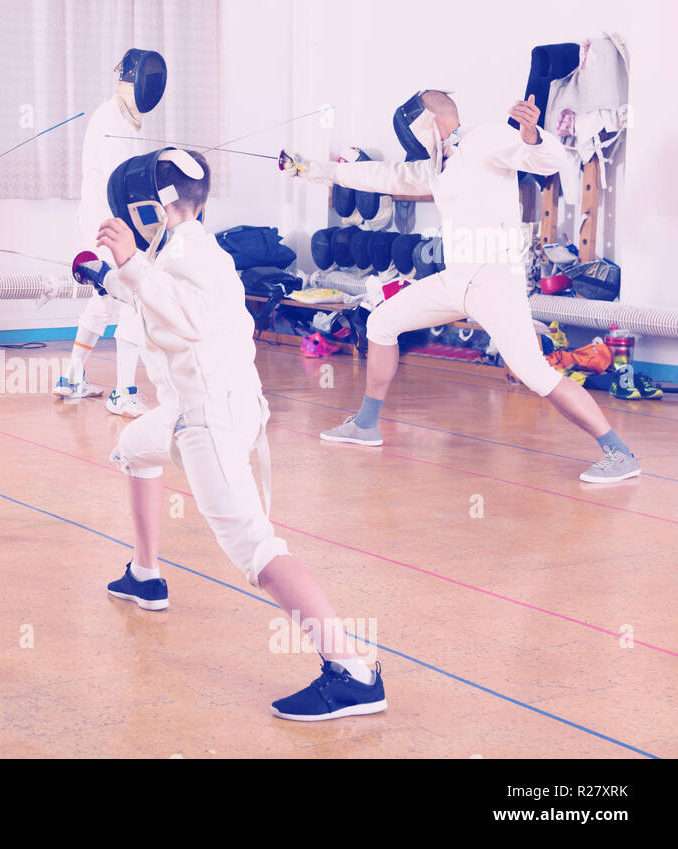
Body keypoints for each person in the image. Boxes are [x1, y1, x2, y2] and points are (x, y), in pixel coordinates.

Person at [80, 147, 386, 720]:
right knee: (134, 448)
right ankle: (146, 576)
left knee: (254, 545)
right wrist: (115, 277)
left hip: (209, 417)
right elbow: (168, 303)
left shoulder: (186, 255)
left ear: (152, 208)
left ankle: (353, 672)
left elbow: (189, 313)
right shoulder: (184, 247)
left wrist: (132, 267)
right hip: (198, 406)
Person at [282, 91, 638, 483]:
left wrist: (534, 135)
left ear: (430, 123)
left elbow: (546, 160)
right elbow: (384, 175)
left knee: (535, 375)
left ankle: (618, 453)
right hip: (456, 280)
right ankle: (365, 425)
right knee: (381, 322)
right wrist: (310, 168)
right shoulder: (439, 166)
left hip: (494, 280)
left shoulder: (485, 139)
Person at [54, 49, 165, 418]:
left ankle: (71, 378)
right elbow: (123, 184)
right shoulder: (112, 121)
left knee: (104, 299)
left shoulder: (122, 116)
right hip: (108, 222)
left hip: (99, 219)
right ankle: (124, 393)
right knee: (132, 296)